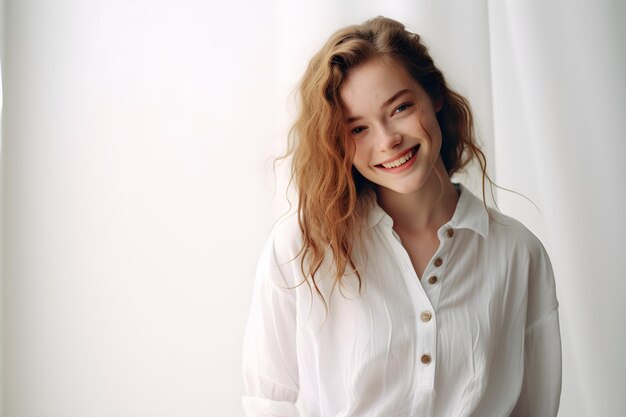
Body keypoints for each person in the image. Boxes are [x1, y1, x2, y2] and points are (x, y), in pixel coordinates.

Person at [242, 16, 561, 417]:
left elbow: (534, 409)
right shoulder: (301, 248)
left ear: (435, 95)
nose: (387, 140)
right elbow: (270, 402)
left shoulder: (518, 253)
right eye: (357, 129)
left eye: (400, 108)